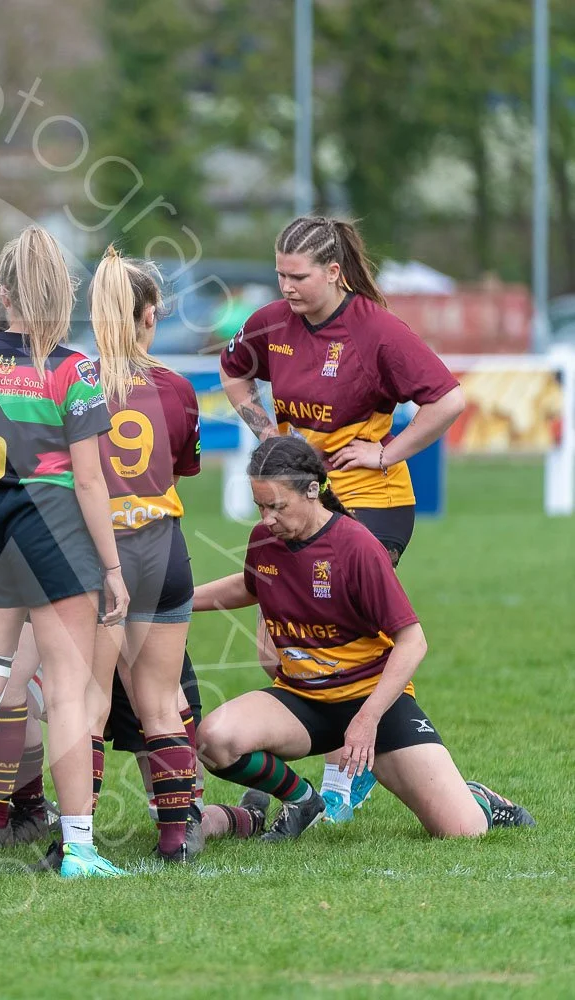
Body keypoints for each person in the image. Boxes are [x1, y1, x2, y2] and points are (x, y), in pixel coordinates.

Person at [220, 216, 467, 823]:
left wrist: (387, 452)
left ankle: (347, 768)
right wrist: (268, 433)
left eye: (298, 276)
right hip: (303, 494)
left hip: (371, 501)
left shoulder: (378, 331)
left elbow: (449, 400)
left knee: (351, 621)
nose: (286, 288)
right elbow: (234, 372)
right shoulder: (271, 322)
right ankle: (348, 762)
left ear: (333, 272)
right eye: (279, 274)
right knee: (281, 646)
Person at [191, 435, 532, 840]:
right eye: (260, 506)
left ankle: (478, 797)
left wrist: (367, 719)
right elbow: (251, 585)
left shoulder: (356, 547)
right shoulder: (266, 540)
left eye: (277, 506)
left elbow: (413, 641)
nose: (267, 518)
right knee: (214, 739)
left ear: (313, 490)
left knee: (463, 831)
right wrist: (179, 601)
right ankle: (303, 800)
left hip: (373, 702)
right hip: (303, 700)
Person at [0, 224, 129, 879]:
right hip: (54, 539)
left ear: (3, 290)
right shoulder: (73, 367)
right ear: (63, 288)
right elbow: (90, 479)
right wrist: (111, 568)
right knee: (67, 694)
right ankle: (78, 848)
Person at [81, 245, 204, 862]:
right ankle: (177, 837)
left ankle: (78, 839)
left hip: (98, 553)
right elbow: (182, 466)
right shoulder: (177, 389)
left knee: (93, 704)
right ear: (149, 315)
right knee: (161, 701)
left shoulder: (71, 382)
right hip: (163, 546)